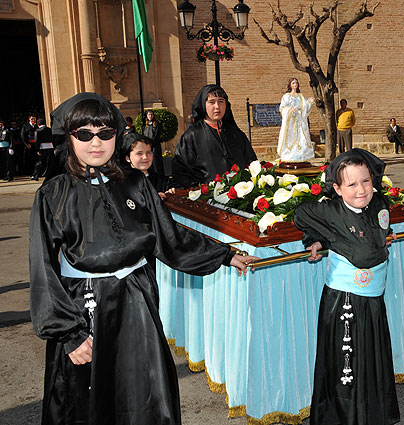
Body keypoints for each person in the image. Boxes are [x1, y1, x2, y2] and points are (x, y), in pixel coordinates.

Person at [29, 92, 257, 425]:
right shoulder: (52, 194)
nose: (97, 143)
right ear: (70, 137)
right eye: (85, 134)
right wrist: (68, 334)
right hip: (85, 310)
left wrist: (223, 254)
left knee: (144, 392)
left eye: (105, 134)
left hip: (136, 302)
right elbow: (43, 270)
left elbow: (170, 236)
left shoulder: (135, 184)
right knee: (88, 400)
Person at [294, 148, 400, 425]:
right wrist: (316, 238)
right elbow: (301, 214)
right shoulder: (329, 210)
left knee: (370, 360)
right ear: (337, 189)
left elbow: (378, 228)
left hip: (374, 300)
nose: (361, 189)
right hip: (345, 302)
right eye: (351, 184)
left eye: (366, 181)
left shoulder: (379, 202)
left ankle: (370, 415)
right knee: (346, 364)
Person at [172, 84, 257, 189]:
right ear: (203, 105)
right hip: (207, 198)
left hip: (238, 196)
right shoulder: (191, 136)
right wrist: (200, 189)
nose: (217, 106)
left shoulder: (237, 134)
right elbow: (181, 172)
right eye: (211, 102)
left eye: (221, 101)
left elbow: (251, 162)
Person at [277, 77, 315, 163]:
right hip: (290, 123)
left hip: (300, 122)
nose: (295, 85)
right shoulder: (286, 96)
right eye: (293, 83)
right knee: (290, 138)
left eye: (296, 83)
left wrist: (309, 102)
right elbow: (282, 109)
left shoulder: (301, 97)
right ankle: (289, 156)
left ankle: (301, 157)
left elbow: (306, 108)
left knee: (301, 138)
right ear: (290, 85)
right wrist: (290, 110)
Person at [122, 132, 167, 196]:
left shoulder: (160, 180)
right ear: (128, 158)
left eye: (148, 152)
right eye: (139, 153)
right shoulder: (123, 184)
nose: (145, 157)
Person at [142, 110, 164, 179]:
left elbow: (157, 135)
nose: (150, 116)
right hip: (147, 147)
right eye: (149, 115)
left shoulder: (156, 124)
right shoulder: (145, 125)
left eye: (151, 114)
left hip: (155, 146)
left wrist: (151, 143)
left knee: (156, 163)